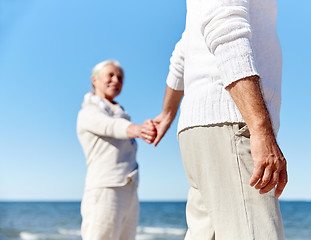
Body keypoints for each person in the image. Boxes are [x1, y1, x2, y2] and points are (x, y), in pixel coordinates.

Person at [153, 0, 288, 239]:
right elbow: (224, 24)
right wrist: (259, 127)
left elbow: (184, 51)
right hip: (230, 124)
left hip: (201, 129)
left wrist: (167, 114)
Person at [76, 60, 157, 240]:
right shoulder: (88, 113)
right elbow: (110, 126)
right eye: (110, 75)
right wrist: (138, 129)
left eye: (120, 78)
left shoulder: (120, 113)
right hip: (105, 189)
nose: (116, 80)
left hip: (129, 189)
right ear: (95, 80)